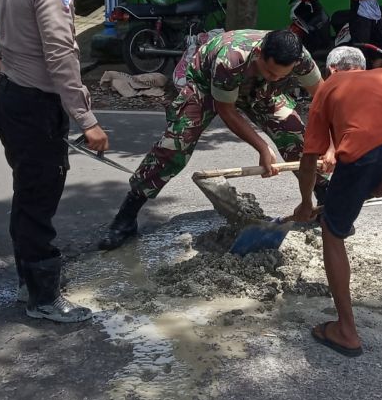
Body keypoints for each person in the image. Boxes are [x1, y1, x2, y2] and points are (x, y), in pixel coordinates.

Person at [101, 29, 334, 251]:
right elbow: (227, 110)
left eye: (281, 75)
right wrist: (262, 147)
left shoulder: (300, 58)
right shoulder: (230, 59)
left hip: (262, 92)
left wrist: (331, 145)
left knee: (299, 141)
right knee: (175, 146)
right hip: (205, 85)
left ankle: (326, 206)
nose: (275, 77)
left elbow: (324, 101)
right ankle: (126, 217)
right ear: (260, 54)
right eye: (271, 71)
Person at [0, 0, 110, 323]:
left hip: (11, 97)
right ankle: (44, 299)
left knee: (27, 194)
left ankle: (30, 281)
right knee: (39, 198)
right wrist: (87, 120)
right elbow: (60, 54)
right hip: (34, 104)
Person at [293, 45, 382, 365]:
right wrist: (379, 177)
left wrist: (305, 202)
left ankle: (346, 331)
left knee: (333, 231)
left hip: (367, 149)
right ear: (362, 67)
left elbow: (309, 159)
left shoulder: (327, 87)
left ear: (332, 70)